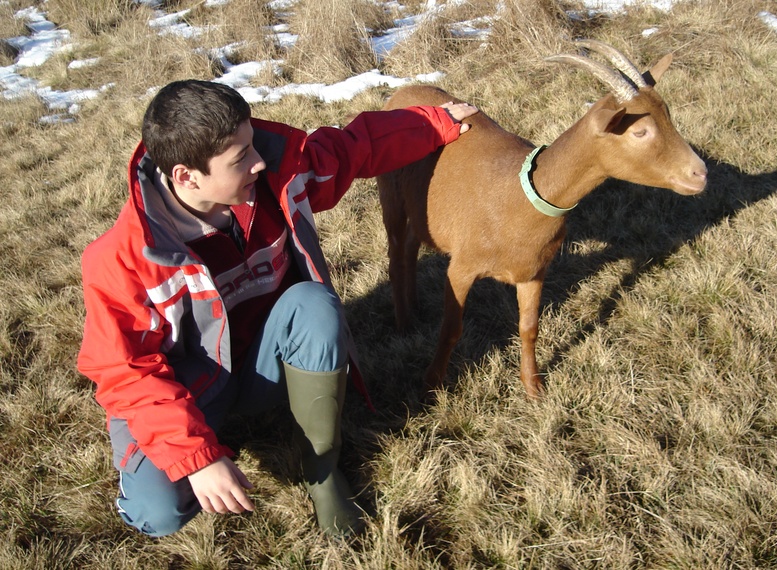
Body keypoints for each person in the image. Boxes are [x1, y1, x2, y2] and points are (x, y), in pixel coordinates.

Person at [76, 79, 477, 538]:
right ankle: (177, 467)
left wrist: (437, 121)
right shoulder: (122, 258)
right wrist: (197, 458)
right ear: (186, 176)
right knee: (159, 514)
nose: (259, 160)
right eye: (240, 157)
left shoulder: (274, 179)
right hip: (193, 392)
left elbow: (351, 149)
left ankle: (322, 470)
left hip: (265, 365)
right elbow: (126, 373)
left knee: (314, 303)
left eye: (252, 144)